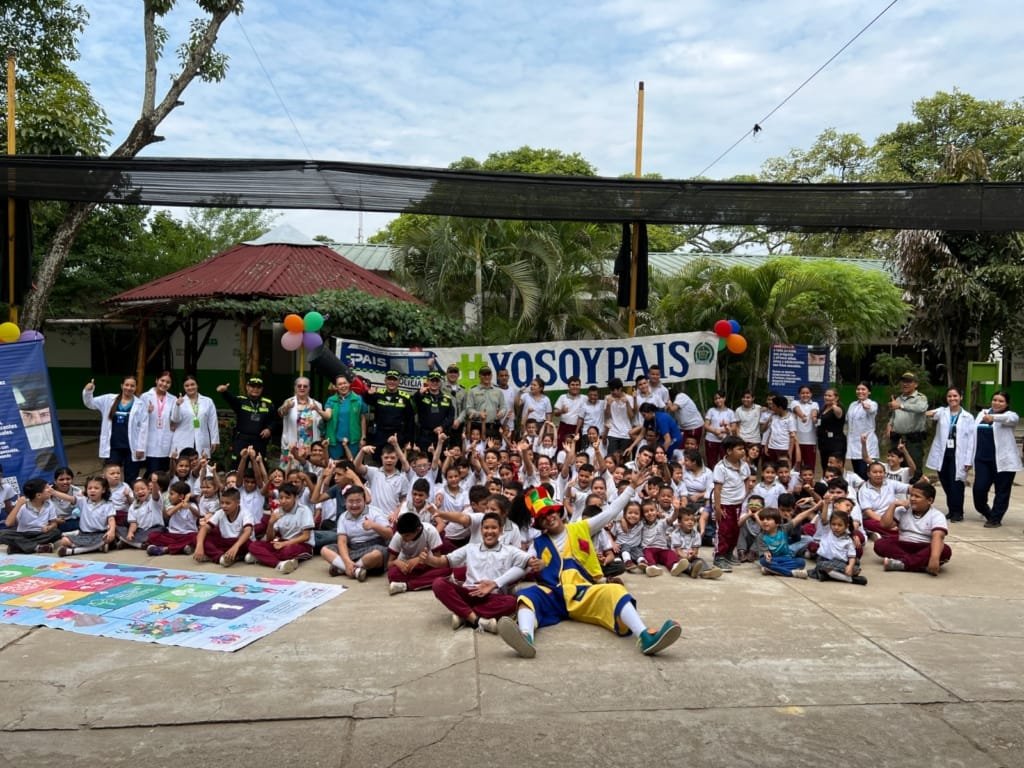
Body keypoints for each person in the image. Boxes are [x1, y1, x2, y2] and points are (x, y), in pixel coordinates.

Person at [495, 481, 683, 659]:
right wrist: (496, 583)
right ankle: (525, 637)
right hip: (553, 594)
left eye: (550, 512)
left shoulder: (581, 528)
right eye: (542, 517)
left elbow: (610, 512)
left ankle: (645, 636)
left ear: (558, 512)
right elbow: (522, 567)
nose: (548, 518)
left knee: (615, 591)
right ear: (540, 524)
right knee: (527, 596)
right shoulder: (537, 543)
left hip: (583, 591)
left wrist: (631, 487)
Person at [426, 511, 532, 632]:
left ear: (501, 531)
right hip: (469, 593)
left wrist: (535, 562)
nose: (489, 531)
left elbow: (529, 560)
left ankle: (464, 615)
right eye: (486, 528)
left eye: (494, 528)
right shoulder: (470, 548)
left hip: (492, 596)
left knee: (511, 602)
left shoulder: (510, 550)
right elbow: (444, 561)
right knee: (438, 583)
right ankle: (477, 620)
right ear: (481, 530)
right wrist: (428, 560)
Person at [875, 481, 951, 575]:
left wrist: (934, 558)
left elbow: (938, 537)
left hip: (925, 547)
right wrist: (893, 505)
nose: (912, 499)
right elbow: (884, 524)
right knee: (880, 544)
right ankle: (920, 564)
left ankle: (903, 564)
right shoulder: (903, 510)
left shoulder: (937, 515)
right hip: (904, 545)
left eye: (917, 496)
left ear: (930, 500)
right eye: (911, 495)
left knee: (945, 550)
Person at [925, 387, 976, 523]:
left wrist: (969, 460)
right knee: (946, 481)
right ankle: (951, 510)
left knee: (956, 484)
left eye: (955, 396)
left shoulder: (968, 417)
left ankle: (958, 512)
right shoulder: (942, 412)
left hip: (959, 454)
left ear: (961, 397)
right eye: (949, 396)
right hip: (943, 453)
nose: (952, 399)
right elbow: (929, 413)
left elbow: (971, 440)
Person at [971, 391, 1021, 528]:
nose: (997, 403)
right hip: (982, 460)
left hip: (1004, 461)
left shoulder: (1010, 415)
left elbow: (1010, 419)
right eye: (995, 400)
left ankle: (995, 519)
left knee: (1002, 491)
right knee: (979, 490)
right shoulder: (982, 414)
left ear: (1007, 404)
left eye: (1001, 401)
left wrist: (993, 418)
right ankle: (987, 512)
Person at [82, 376, 146, 482]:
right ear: (121, 385)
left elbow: (144, 427)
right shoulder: (108, 399)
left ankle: (129, 493)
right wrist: (88, 391)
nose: (129, 388)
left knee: (131, 477)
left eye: (132, 386)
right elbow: (90, 403)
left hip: (132, 447)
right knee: (112, 477)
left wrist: (141, 447)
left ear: (136, 388)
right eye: (126, 385)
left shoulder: (140, 404)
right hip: (113, 446)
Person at [321, 485, 392, 581]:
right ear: (345, 502)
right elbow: (342, 542)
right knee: (325, 550)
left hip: (374, 547)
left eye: (358, 501)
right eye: (350, 501)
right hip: (353, 549)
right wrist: (347, 561)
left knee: (376, 555)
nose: (354, 505)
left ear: (364, 501)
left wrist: (374, 526)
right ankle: (354, 570)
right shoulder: (343, 517)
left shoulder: (375, 512)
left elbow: (389, 534)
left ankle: (343, 568)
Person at [244, 482, 314, 574]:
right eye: (281, 498)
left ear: (295, 498)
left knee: (287, 552)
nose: (283, 501)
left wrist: (285, 544)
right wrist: (270, 523)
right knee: (253, 545)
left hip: (302, 544)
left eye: (287, 498)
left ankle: (262, 558)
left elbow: (306, 536)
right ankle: (279, 563)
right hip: (282, 542)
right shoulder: (277, 511)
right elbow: (270, 539)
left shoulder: (304, 510)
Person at [49, 475, 117, 557]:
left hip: (100, 534)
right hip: (84, 534)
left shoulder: (108, 504)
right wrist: (54, 492)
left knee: (108, 539)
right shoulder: (83, 501)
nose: (92, 490)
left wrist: (111, 531)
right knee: (64, 541)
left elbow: (111, 519)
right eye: (90, 488)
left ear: (103, 490)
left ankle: (73, 551)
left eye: (96, 488)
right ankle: (98, 547)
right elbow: (69, 498)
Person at [711, 436, 750, 572]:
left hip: (738, 504)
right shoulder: (720, 467)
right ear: (729, 451)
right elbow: (717, 489)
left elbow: (747, 480)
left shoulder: (744, 465)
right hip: (724, 504)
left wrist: (744, 495)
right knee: (723, 531)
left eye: (743, 448)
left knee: (735, 530)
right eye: (739, 449)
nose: (743, 451)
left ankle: (728, 553)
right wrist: (717, 507)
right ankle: (719, 556)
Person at [385, 512, 449, 595]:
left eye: (407, 536)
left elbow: (438, 560)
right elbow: (389, 564)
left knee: (446, 570)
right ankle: (424, 581)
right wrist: (396, 562)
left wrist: (420, 559)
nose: (403, 539)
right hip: (407, 568)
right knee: (392, 574)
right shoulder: (398, 535)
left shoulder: (430, 531)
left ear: (418, 530)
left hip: (427, 564)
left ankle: (407, 585)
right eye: (402, 536)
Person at [216, 376, 276, 461]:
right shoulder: (241, 400)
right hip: (242, 440)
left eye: (258, 387)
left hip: (259, 440)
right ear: (247, 387)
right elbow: (231, 399)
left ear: (262, 389)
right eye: (252, 386)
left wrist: (269, 429)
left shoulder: (268, 403)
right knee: (237, 465)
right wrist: (224, 392)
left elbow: (274, 420)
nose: (255, 389)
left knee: (260, 465)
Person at [0, 478, 62, 554]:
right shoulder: (23, 505)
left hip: (40, 533)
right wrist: (18, 505)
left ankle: (19, 547)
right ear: (38, 495)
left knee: (56, 532)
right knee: (2, 534)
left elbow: (54, 524)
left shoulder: (49, 504)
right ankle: (36, 547)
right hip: (23, 534)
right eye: (47, 488)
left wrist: (49, 527)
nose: (50, 489)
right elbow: (8, 523)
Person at [887, 372, 928, 481]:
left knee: (914, 471)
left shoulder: (920, 398)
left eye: (909, 382)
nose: (905, 384)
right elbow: (894, 416)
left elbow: (921, 408)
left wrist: (900, 406)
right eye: (903, 381)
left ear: (916, 384)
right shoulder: (898, 399)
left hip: (913, 441)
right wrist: (890, 425)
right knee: (896, 469)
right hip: (897, 440)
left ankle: (915, 491)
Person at [808, 509, 866, 585]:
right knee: (821, 565)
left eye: (840, 525)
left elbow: (852, 556)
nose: (836, 527)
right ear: (830, 524)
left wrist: (850, 566)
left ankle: (827, 574)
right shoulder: (827, 531)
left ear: (846, 526)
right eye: (833, 524)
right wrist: (826, 503)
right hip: (824, 560)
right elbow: (824, 519)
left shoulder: (848, 540)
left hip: (840, 562)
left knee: (855, 564)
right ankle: (850, 579)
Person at [169, 375, 220, 459]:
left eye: (192, 384)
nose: (190, 387)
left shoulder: (208, 401)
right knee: (183, 464)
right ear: (184, 387)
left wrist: (215, 440)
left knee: (200, 463)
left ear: (197, 385)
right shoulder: (179, 401)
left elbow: (213, 422)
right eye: (187, 385)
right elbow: (175, 419)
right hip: (183, 439)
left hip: (201, 439)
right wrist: (177, 405)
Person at [146, 481, 201, 556]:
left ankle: (165, 549)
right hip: (172, 534)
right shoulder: (172, 506)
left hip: (187, 534)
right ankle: (181, 547)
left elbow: (198, 515)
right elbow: (168, 514)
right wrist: (182, 503)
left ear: (181, 496)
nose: (169, 497)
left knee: (195, 538)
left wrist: (189, 507)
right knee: (153, 536)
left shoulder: (192, 505)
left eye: (172, 494)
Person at [362, 370, 415, 449]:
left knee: (396, 456)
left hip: (397, 434)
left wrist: (409, 440)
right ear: (385, 381)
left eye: (394, 380)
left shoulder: (405, 398)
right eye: (389, 379)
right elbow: (367, 400)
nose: (392, 382)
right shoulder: (378, 394)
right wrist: (368, 394)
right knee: (378, 455)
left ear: (398, 382)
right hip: (380, 434)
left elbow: (410, 420)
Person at [278, 377, 324, 464]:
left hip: (309, 447)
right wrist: (287, 407)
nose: (302, 388)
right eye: (299, 386)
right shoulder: (289, 401)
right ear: (295, 387)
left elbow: (321, 426)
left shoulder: (317, 404)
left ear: (309, 388)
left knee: (309, 471)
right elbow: (280, 413)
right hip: (291, 446)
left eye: (305, 386)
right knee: (289, 470)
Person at [322, 374, 369, 459]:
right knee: (334, 464)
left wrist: (363, 437)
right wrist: (317, 409)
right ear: (336, 387)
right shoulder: (331, 400)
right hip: (334, 440)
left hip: (353, 439)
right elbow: (327, 416)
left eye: (345, 383)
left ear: (349, 384)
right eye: (340, 384)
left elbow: (362, 419)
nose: (343, 386)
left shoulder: (358, 399)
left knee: (353, 463)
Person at [138, 371, 175, 473]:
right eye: (162, 380)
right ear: (156, 380)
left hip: (166, 441)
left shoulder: (173, 399)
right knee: (152, 471)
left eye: (168, 382)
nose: (164, 384)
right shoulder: (145, 397)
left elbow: (175, 418)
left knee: (163, 472)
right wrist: (146, 411)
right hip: (150, 441)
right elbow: (137, 419)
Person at [756, 507, 808, 579]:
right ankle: (791, 573)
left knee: (801, 562)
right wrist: (766, 553)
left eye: (768, 519)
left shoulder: (783, 529)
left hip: (786, 558)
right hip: (773, 559)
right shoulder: (761, 536)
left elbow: (799, 517)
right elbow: (765, 552)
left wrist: (815, 507)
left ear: (777, 523)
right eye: (762, 519)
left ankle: (772, 570)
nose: (764, 521)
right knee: (763, 561)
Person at [410, 371, 454, 454]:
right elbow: (412, 403)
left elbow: (450, 417)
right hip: (424, 436)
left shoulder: (447, 399)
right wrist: (419, 393)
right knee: (423, 459)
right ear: (428, 382)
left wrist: (442, 427)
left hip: (440, 435)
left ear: (440, 382)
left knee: (440, 458)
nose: (434, 383)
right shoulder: (421, 396)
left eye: (437, 381)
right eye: (432, 380)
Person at [118, 475, 165, 549]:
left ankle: (131, 543)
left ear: (149, 490)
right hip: (141, 531)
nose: (140, 492)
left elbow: (156, 495)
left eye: (142, 489)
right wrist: (130, 532)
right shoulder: (133, 506)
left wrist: (154, 483)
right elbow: (133, 523)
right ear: (134, 493)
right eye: (136, 490)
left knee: (154, 535)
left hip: (155, 528)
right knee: (118, 528)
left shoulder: (153, 500)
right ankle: (138, 543)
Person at [846, 382, 879, 479]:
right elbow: (847, 419)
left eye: (863, 389)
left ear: (869, 392)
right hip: (853, 445)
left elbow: (871, 409)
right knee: (857, 474)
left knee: (866, 473)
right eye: (858, 389)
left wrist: (867, 407)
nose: (860, 391)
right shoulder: (852, 404)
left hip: (867, 444)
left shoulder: (872, 403)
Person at [465, 366, 506, 439]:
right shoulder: (473, 391)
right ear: (479, 376)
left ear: (491, 376)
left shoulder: (498, 391)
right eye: (484, 374)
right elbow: (468, 409)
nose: (487, 377)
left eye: (488, 374)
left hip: (493, 427)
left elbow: (504, 407)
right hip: (478, 428)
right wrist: (478, 414)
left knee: (493, 446)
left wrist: (501, 413)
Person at [704, 390, 738, 469]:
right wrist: (715, 431)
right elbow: (706, 425)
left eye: (720, 398)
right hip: (711, 440)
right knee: (711, 462)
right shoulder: (711, 411)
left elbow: (734, 427)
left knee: (726, 462)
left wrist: (722, 431)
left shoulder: (730, 412)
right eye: (716, 399)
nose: (718, 400)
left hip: (725, 440)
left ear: (724, 398)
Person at [790, 385, 819, 471]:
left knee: (809, 466)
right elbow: (797, 409)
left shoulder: (814, 404)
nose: (805, 395)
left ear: (811, 394)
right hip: (796, 441)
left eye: (807, 393)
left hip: (810, 442)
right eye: (802, 393)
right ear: (799, 394)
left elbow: (814, 412)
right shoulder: (794, 403)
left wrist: (814, 418)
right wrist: (803, 416)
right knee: (795, 466)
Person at [817, 388, 845, 474]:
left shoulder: (838, 408)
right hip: (824, 443)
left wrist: (834, 406)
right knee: (825, 466)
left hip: (835, 443)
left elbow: (839, 414)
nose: (826, 397)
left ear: (836, 397)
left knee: (834, 466)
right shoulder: (824, 408)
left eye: (829, 396)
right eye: (825, 395)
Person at [604, 378, 634, 457]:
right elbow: (607, 416)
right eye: (611, 390)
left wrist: (627, 403)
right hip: (612, 432)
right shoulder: (608, 398)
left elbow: (631, 416)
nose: (612, 392)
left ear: (620, 389)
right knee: (611, 457)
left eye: (614, 390)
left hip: (626, 433)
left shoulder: (629, 398)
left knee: (623, 458)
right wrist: (608, 405)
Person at [553, 376, 585, 445]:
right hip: (564, 427)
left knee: (576, 448)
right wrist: (561, 411)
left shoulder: (584, 398)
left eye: (577, 385)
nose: (575, 387)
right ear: (568, 386)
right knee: (562, 447)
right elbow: (555, 413)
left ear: (580, 386)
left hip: (578, 428)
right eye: (572, 385)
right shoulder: (562, 397)